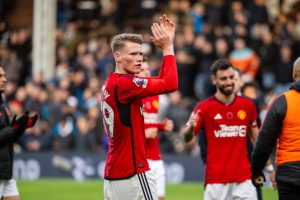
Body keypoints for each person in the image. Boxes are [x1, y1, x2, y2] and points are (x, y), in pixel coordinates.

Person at [99, 15, 177, 200]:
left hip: (114, 175)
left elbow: (161, 81)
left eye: (140, 53)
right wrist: (168, 48)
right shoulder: (126, 85)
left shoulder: (112, 83)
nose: (139, 58)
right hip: (133, 172)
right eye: (133, 54)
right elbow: (170, 83)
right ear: (117, 56)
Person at [183, 59, 261, 200]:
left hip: (243, 181)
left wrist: (267, 168)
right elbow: (186, 138)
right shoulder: (203, 108)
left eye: (231, 77)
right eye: (223, 78)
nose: (229, 82)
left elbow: (257, 139)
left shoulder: (248, 105)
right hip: (216, 182)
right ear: (214, 80)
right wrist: (190, 129)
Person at [251, 57, 300, 199]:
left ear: (293, 75)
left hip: (290, 177)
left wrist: (256, 170)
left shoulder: (282, 102)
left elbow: (264, 142)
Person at [0, 65, 38, 200]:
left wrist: (21, 127)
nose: (4, 79)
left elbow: (8, 135)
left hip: (5, 170)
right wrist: (14, 128)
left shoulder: (2, 103)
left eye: (4, 75)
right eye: (0, 76)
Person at [139, 56, 174, 200]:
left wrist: (161, 127)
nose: (147, 72)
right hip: (140, 159)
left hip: (155, 156)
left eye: (148, 69)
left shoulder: (154, 95)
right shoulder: (131, 97)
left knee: (160, 197)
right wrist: (143, 133)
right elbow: (124, 129)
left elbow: (150, 123)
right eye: (142, 70)